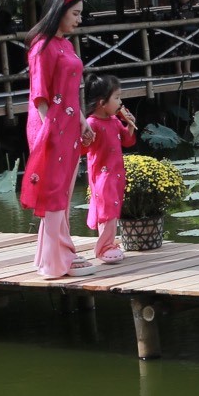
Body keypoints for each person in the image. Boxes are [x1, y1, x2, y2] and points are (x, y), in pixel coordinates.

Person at [20, 0, 90, 278]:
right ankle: (55, 263)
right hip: (51, 127)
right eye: (75, 14)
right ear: (59, 11)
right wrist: (50, 131)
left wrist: (83, 121)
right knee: (53, 194)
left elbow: (71, 92)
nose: (79, 20)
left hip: (69, 125)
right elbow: (41, 97)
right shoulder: (42, 47)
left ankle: (60, 253)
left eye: (80, 14)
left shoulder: (65, 44)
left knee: (62, 192)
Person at [82, 74, 138, 264]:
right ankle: (103, 247)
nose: (120, 102)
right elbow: (83, 147)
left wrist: (130, 125)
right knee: (106, 210)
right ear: (101, 102)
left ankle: (109, 244)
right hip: (102, 175)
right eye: (116, 98)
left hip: (116, 173)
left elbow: (127, 141)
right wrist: (85, 138)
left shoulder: (114, 121)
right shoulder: (91, 123)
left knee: (113, 208)